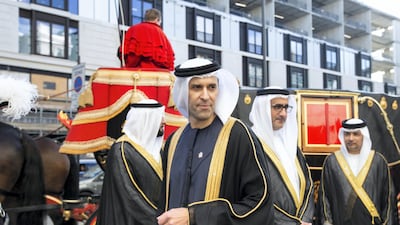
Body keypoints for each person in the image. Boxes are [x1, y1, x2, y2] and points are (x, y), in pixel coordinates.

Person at [157, 58, 274, 225]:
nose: (205, 96)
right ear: (183, 92)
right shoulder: (174, 142)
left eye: (211, 87)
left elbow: (259, 202)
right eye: (197, 87)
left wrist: (195, 216)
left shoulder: (237, 135)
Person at [249, 87, 315, 225]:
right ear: (263, 109)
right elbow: (254, 197)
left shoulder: (291, 146)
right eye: (277, 107)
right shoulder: (250, 144)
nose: (283, 113)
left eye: (286, 107)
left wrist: (305, 219)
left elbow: (308, 186)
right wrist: (292, 223)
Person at [96, 99, 166, 225]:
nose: (164, 121)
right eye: (160, 117)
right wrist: (158, 219)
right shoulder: (122, 149)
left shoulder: (160, 150)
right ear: (146, 119)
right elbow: (129, 195)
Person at [318, 118, 398, 225]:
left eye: (356, 134)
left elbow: (388, 200)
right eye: (347, 134)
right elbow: (324, 199)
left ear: (363, 136)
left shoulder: (378, 161)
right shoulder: (332, 162)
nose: (351, 138)